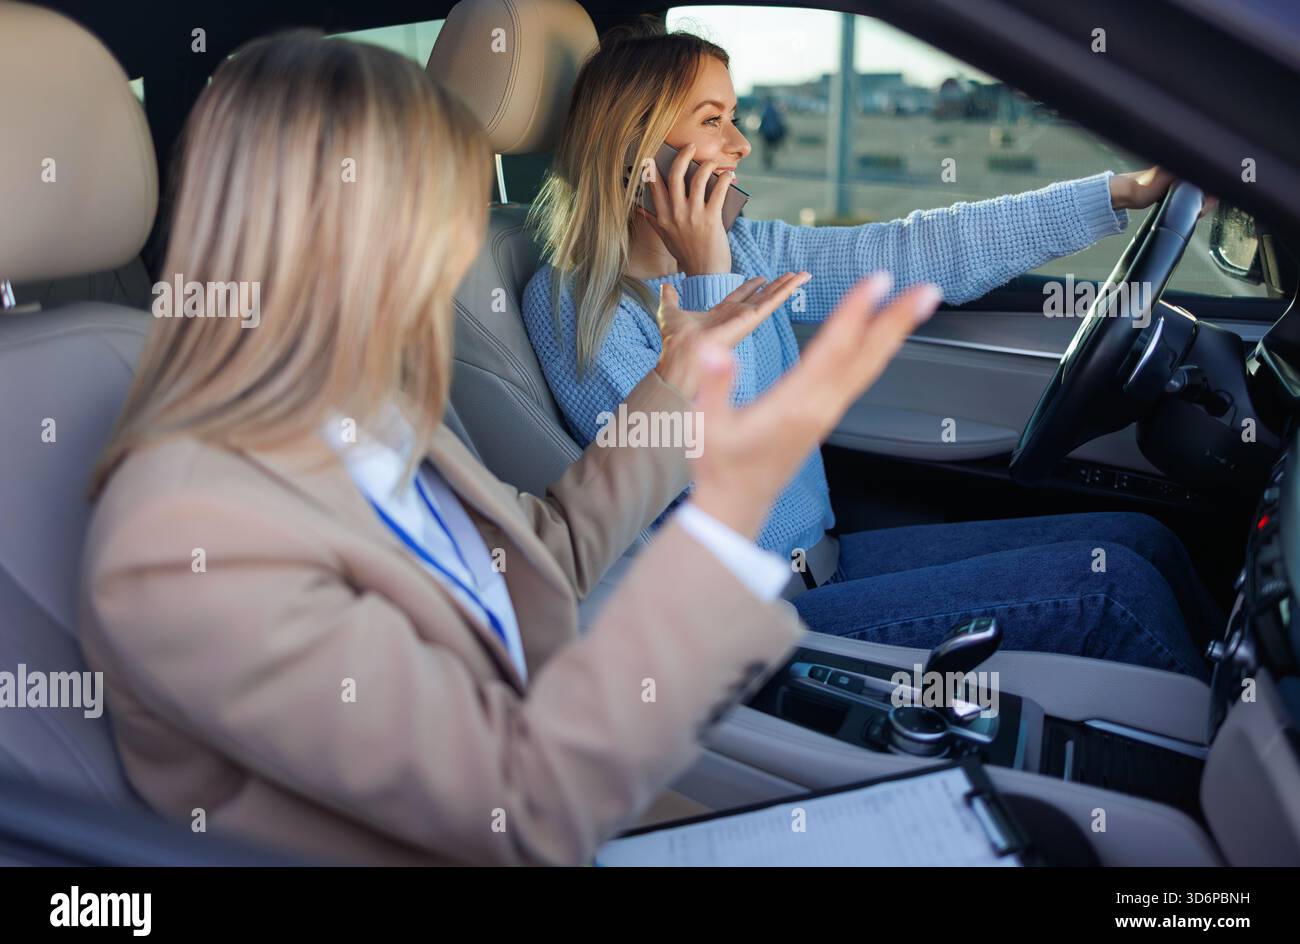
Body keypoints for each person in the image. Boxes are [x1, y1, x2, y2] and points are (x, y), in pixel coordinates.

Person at [76, 32, 939, 866]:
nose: (458, 246)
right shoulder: (189, 533)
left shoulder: (354, 410)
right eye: (437, 209)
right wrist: (729, 517)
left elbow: (546, 550)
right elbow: (521, 808)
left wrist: (680, 381)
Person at [522, 23, 1220, 678]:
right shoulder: (576, 309)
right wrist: (709, 277)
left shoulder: (749, 251)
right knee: (1115, 589)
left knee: (1140, 539)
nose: (741, 144)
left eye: (734, 116)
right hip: (756, 624)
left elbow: (917, 252)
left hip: (827, 566)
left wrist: (1122, 194)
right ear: (641, 150)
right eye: (712, 120)